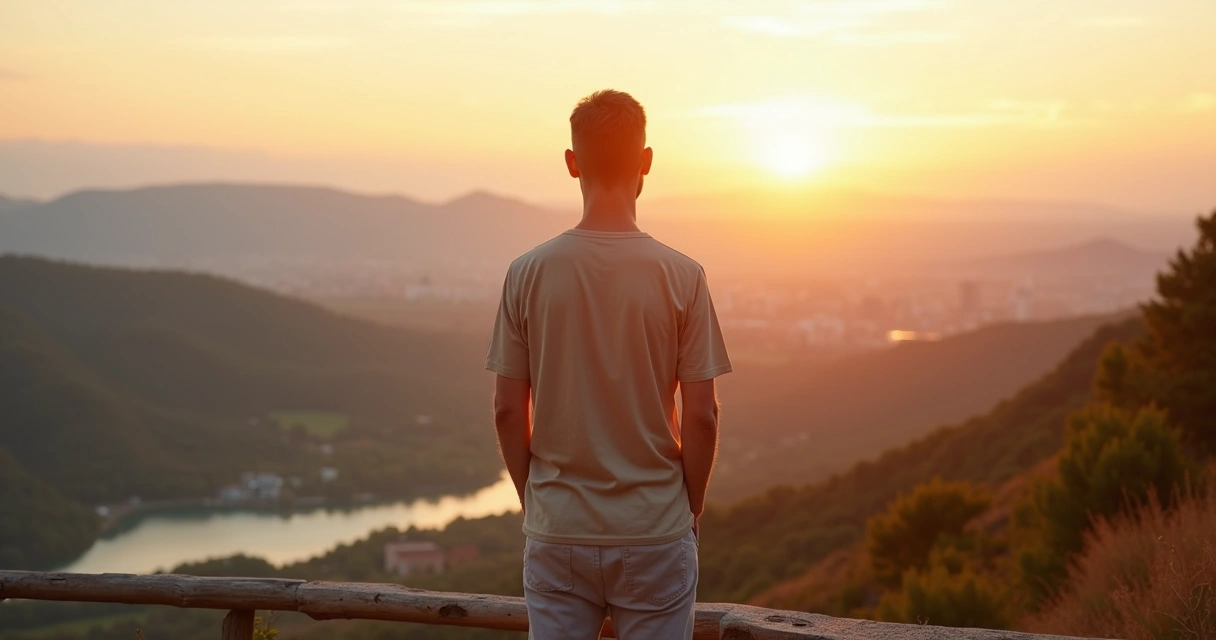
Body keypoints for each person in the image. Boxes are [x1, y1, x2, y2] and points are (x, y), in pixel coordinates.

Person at [485, 89, 732, 640]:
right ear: (646, 161)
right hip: (654, 531)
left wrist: (539, 503)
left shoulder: (527, 273)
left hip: (557, 530)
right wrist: (689, 510)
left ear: (572, 163)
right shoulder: (683, 276)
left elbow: (507, 410)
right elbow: (702, 417)